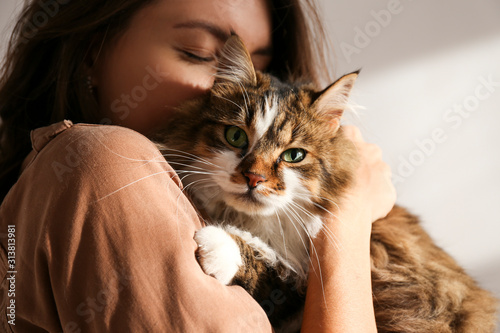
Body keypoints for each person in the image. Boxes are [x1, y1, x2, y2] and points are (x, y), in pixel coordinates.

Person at [0, 0, 396, 332]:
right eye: (202, 54)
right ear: (91, 53)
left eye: (261, 67)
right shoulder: (106, 161)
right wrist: (347, 220)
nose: (230, 89)